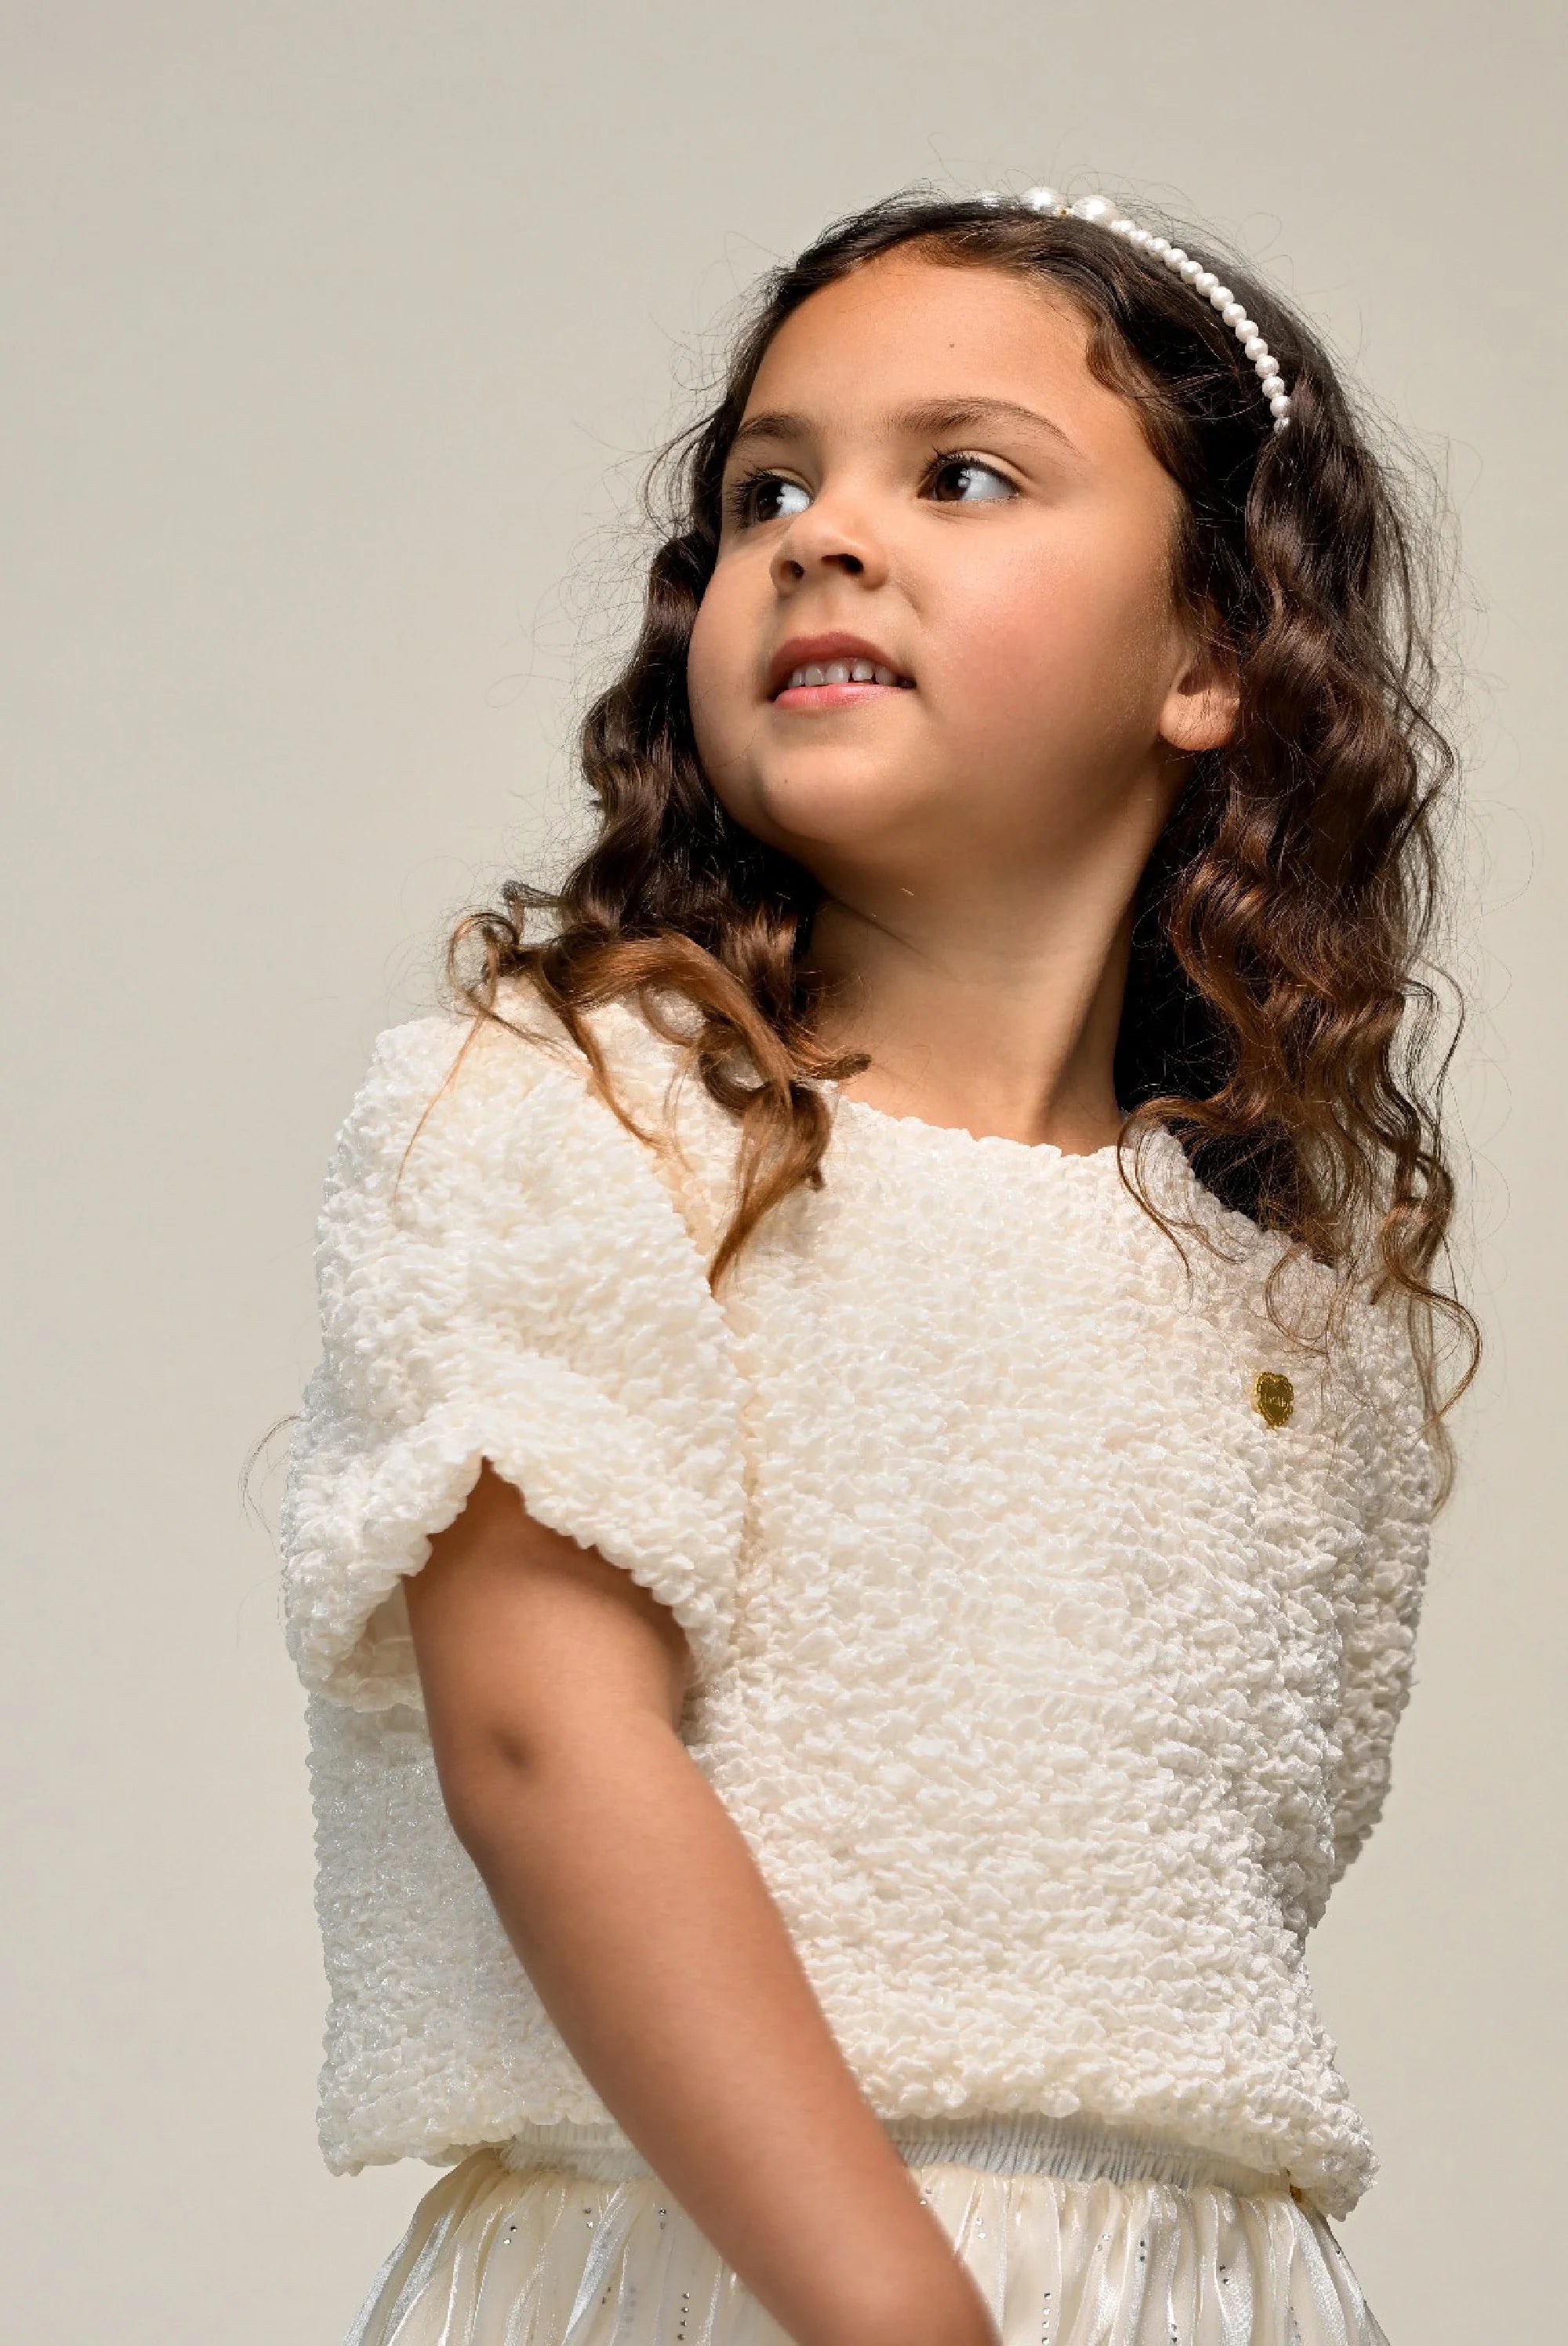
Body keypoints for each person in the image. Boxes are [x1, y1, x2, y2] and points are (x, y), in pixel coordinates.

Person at [278, 183, 1476, 2346]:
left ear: (1215, 656)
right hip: (723, 2273)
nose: (823, 535)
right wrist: (906, 2318)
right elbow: (543, 1747)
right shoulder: (583, 1118)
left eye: (963, 475)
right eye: (766, 490)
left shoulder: (1295, 1319)